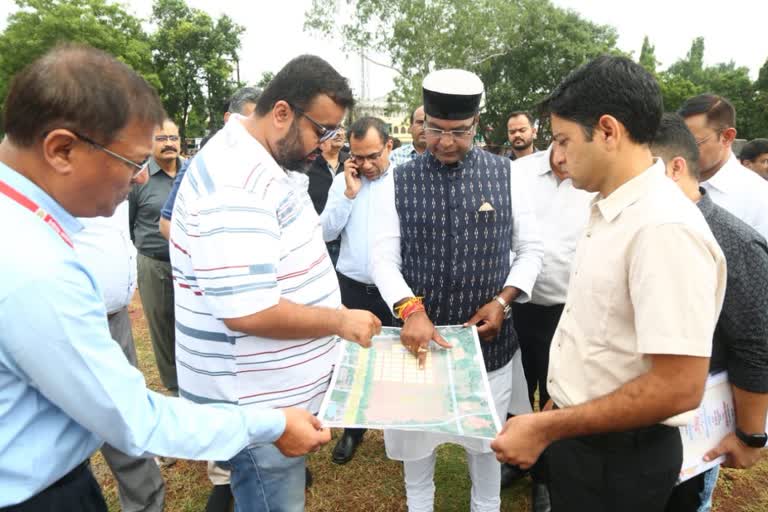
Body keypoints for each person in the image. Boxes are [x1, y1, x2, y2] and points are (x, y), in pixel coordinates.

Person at [0, 44, 330, 511]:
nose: (139, 180)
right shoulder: (34, 269)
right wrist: (271, 424)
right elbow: (136, 419)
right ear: (61, 149)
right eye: (133, 161)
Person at [490, 56, 727, 512]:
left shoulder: (662, 228)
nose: (557, 156)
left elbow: (678, 387)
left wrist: (547, 428)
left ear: (608, 131)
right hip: (585, 441)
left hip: (620, 459)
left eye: (563, 140)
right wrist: (556, 413)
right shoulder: (609, 210)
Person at [169, 54, 382, 512]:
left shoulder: (261, 156)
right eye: (321, 130)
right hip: (254, 402)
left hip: (269, 397)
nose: (326, 144)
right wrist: (339, 321)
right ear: (282, 112)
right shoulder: (235, 184)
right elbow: (249, 310)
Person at [372, 68, 543, 512]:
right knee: (417, 456)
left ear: (477, 125)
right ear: (423, 123)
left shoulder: (508, 175)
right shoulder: (399, 179)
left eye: (458, 132)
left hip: (486, 348)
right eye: (435, 130)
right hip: (418, 348)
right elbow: (383, 260)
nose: (446, 142)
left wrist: (504, 300)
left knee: (485, 451)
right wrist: (410, 310)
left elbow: (531, 250)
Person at [650, 113, 768, 512]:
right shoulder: (646, 230)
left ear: (674, 168)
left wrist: (751, 436)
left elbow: (755, 345)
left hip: (697, 429)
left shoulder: (734, 243)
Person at [504, 144, 595, 506]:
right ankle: (521, 461)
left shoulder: (592, 177)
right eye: (561, 144)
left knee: (559, 393)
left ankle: (546, 475)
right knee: (521, 388)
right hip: (521, 303)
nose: (564, 158)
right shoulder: (521, 172)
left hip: (569, 309)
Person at [72, 201, 166, 511]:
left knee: (127, 412)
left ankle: (146, 503)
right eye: (132, 162)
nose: (141, 175)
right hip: (74, 320)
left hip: (114, 316)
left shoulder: (109, 180)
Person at [320, 116, 397, 464]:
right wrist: (349, 194)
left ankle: (398, 429)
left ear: (390, 147)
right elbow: (326, 233)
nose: (365, 164)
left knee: (396, 361)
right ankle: (353, 429)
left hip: (393, 289)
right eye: (358, 156)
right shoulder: (343, 183)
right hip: (351, 286)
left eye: (373, 156)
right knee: (352, 361)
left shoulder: (406, 182)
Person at [159, 86, 261, 240]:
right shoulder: (197, 166)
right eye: (249, 123)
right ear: (229, 119)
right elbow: (167, 223)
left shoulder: (270, 169)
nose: (255, 133)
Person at [128, 118, 183, 397]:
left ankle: (195, 383)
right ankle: (175, 390)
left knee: (192, 325)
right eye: (162, 139)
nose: (170, 143)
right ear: (150, 144)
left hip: (190, 264)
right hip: (154, 264)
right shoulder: (139, 178)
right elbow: (129, 223)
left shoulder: (192, 172)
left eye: (174, 137)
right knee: (163, 328)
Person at [678, 94, 768, 240]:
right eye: (679, 142)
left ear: (727, 137)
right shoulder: (669, 183)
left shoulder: (759, 198)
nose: (682, 151)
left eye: (693, 143)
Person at [307, 126, 348, 265]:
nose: (339, 133)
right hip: (317, 240)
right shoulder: (308, 165)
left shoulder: (352, 164)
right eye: (334, 130)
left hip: (347, 241)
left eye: (342, 129)